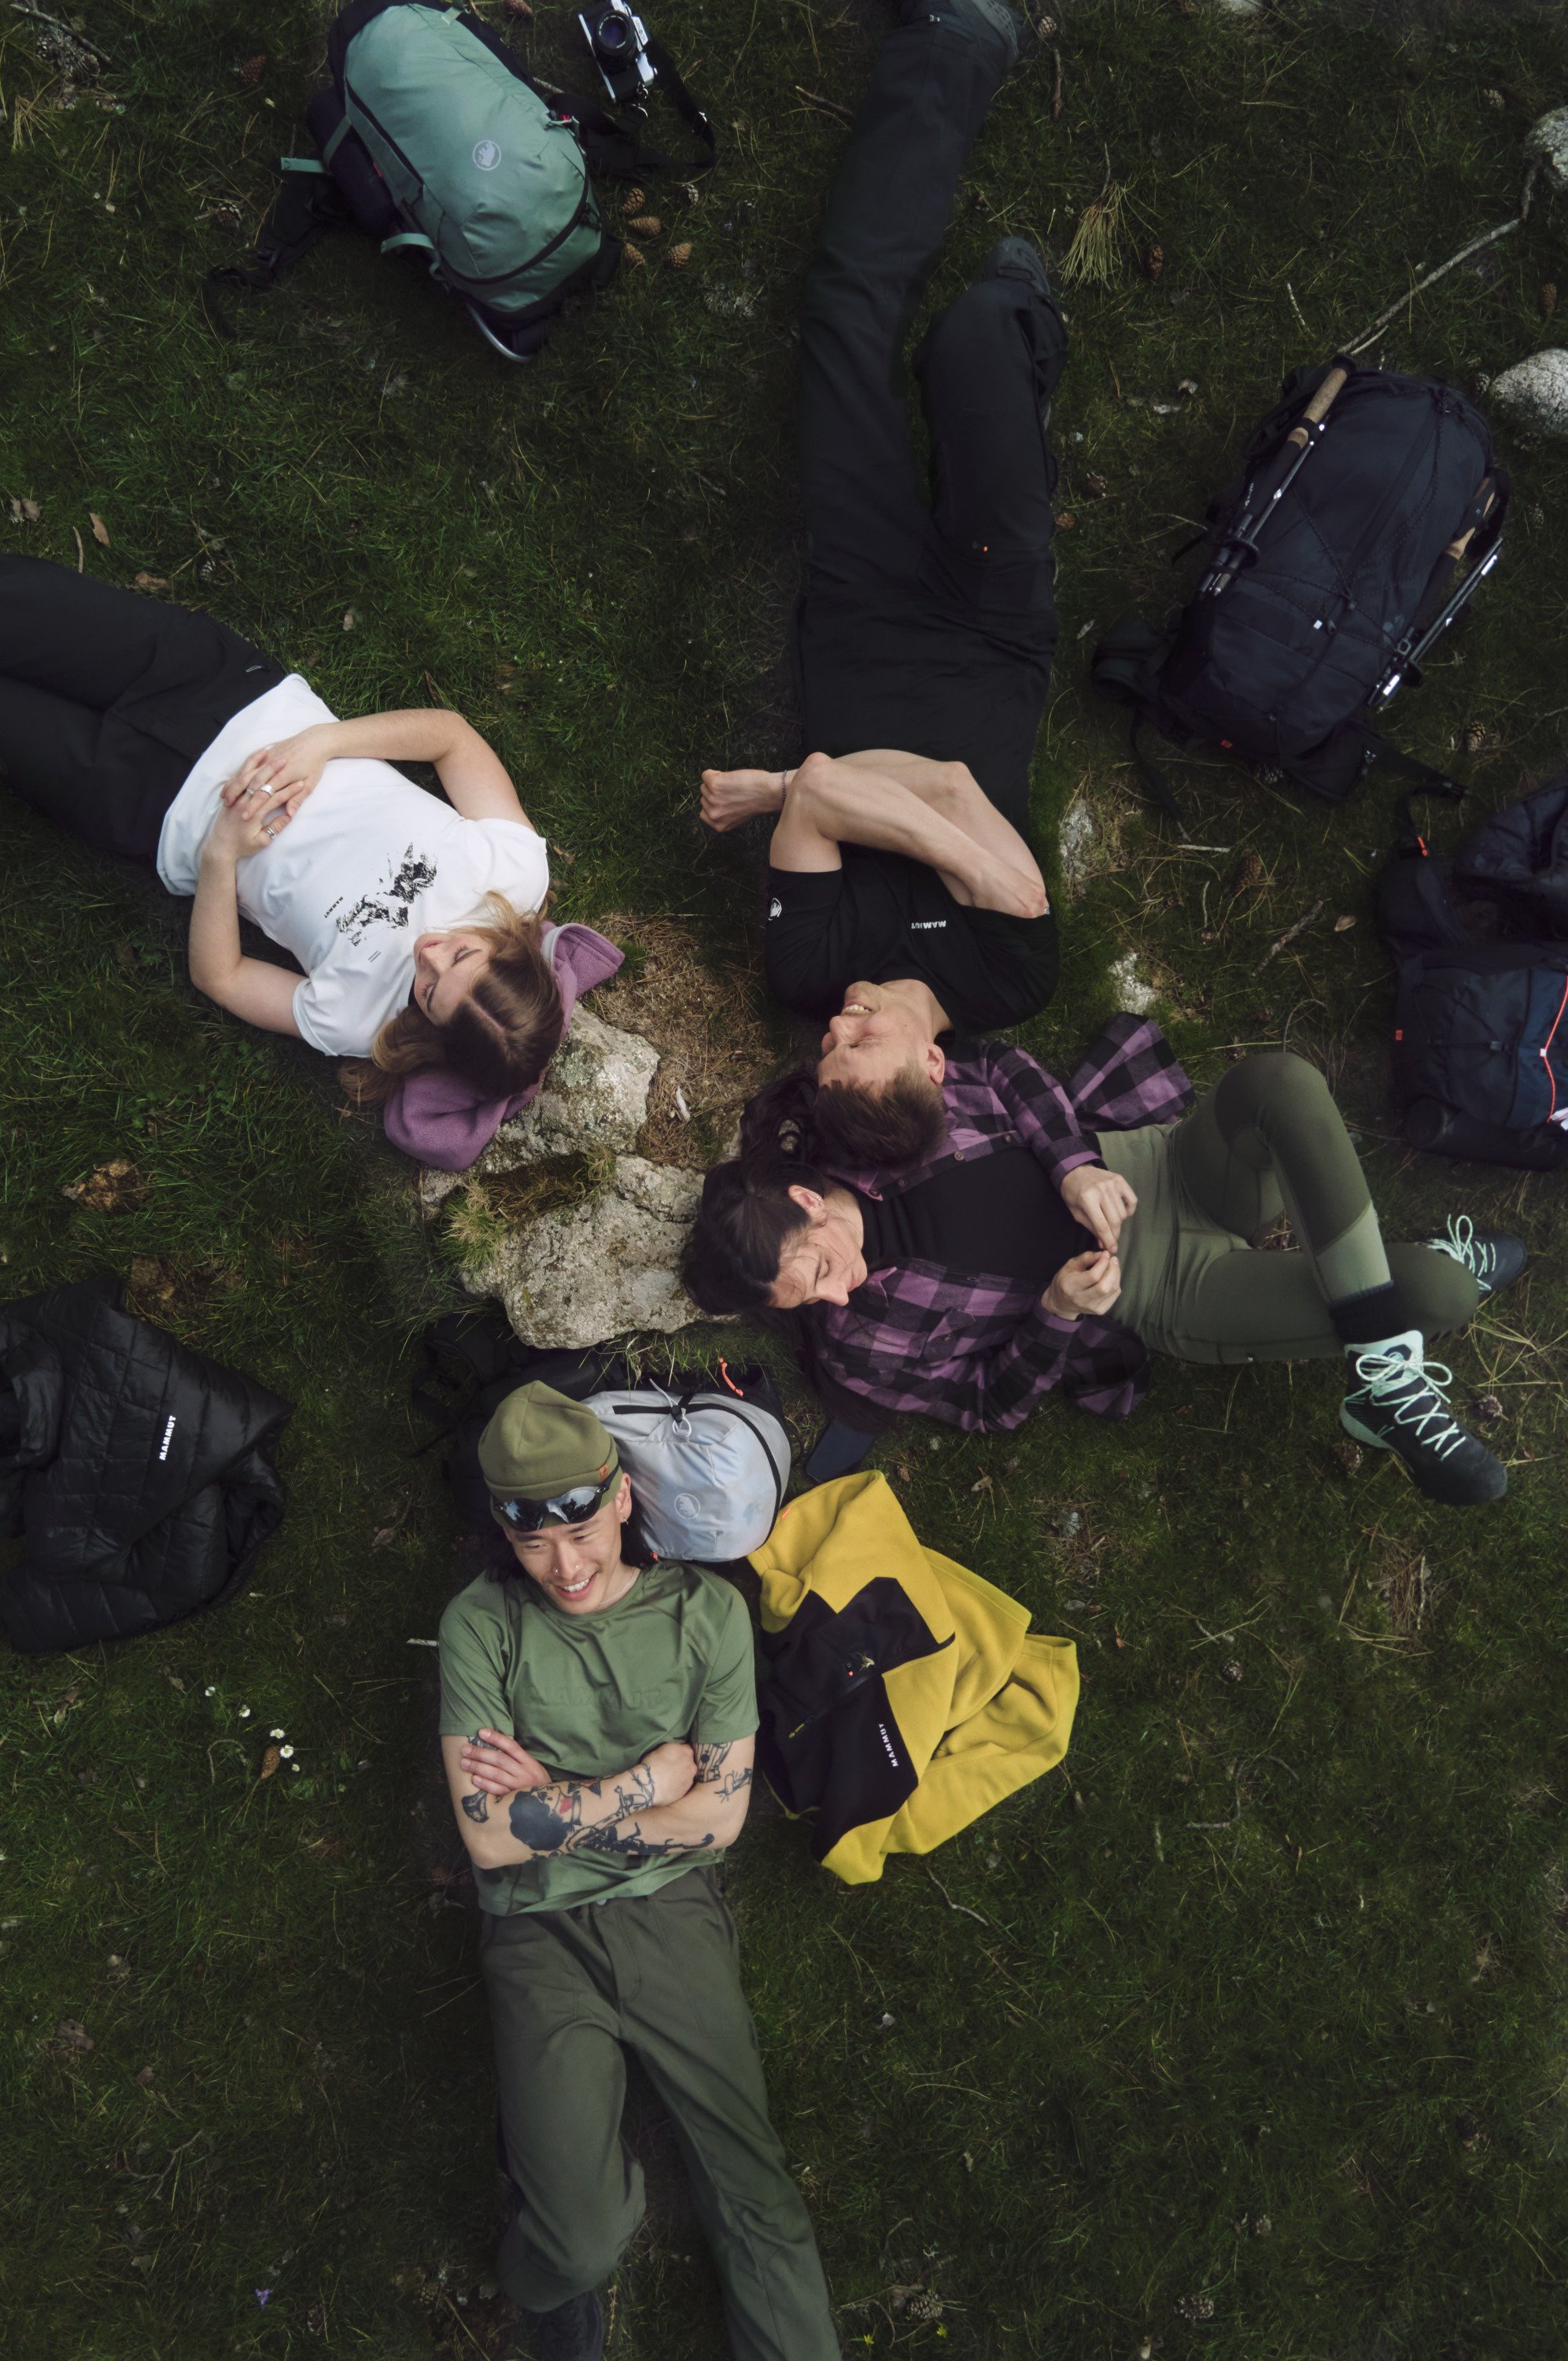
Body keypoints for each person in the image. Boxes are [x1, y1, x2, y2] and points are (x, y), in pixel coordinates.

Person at [0, 503, 562, 1103]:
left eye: (430, 992)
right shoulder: (513, 873)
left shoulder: (361, 1023)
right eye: (461, 954)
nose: (428, 955)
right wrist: (324, 743)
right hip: (214, 687)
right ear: (511, 947)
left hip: (143, 802)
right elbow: (451, 738)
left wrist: (222, 854)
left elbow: (222, 978)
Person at [698, 0, 1064, 1166]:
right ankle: (1020, 323)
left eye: (826, 1047)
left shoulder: (805, 968)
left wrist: (833, 799)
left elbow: (832, 798)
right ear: (934, 1067)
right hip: (992, 625)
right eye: (861, 1044)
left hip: (857, 611)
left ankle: (956, 39)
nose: (839, 1022)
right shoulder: (1011, 979)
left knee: (844, 319)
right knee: (972, 338)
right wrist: (806, 792)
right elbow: (942, 784)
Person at [683, 1025, 1526, 1509]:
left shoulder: (862, 1126)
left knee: (1282, 1080)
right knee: (1441, 1291)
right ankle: (1385, 1373)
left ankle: (1381, 1375)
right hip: (1170, 1288)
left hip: (1159, 1165)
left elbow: (996, 1067)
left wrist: (1074, 1165)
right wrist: (1056, 1313)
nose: (837, 1297)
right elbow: (986, 1407)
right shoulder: (858, 1345)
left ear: (807, 1198)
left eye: (820, 1269)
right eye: (805, 1301)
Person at [437, 1384, 839, 2361]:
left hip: (671, 1914)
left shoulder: (707, 1616)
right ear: (505, 1530)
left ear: (621, 1497)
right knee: (579, 2238)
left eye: (581, 1531)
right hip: (537, 1930)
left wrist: (553, 1804)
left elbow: (720, 1820)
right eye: (534, 1543)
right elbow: (490, 1841)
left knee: (754, 2190)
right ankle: (541, 2276)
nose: (565, 1567)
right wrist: (641, 1785)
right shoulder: (481, 1625)